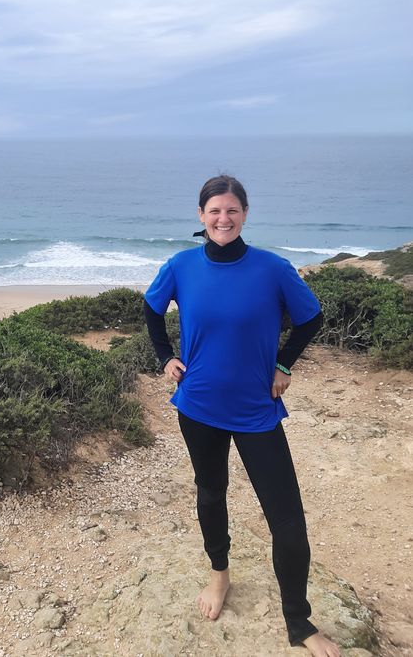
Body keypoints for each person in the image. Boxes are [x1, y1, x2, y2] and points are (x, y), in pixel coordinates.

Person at [144, 174, 340, 657]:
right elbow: (151, 309)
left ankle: (299, 620)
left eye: (232, 210)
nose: (223, 218)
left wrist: (283, 363)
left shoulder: (272, 269)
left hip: (256, 410)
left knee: (288, 520)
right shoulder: (181, 265)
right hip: (199, 406)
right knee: (212, 493)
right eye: (214, 211)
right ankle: (219, 577)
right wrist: (164, 355)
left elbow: (311, 318)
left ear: (245, 214)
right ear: (201, 215)